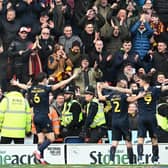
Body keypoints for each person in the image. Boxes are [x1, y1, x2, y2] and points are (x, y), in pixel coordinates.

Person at [11, 71, 78, 164]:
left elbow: (25, 87)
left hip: (35, 117)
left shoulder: (32, 88)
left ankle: (41, 159)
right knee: (51, 138)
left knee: (41, 140)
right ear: (44, 79)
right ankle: (38, 152)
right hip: (43, 117)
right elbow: (59, 84)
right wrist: (71, 78)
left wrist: (16, 83)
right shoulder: (46, 88)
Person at [104, 74, 168, 164]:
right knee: (154, 139)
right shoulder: (155, 89)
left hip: (141, 118)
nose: (138, 82)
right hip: (152, 117)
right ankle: (155, 159)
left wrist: (110, 87)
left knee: (140, 139)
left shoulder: (138, 91)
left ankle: (140, 159)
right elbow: (165, 88)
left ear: (144, 81)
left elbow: (123, 90)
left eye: (140, 80)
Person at [97, 80, 134, 164]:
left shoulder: (111, 95)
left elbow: (101, 97)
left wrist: (98, 89)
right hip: (124, 121)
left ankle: (111, 160)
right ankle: (131, 162)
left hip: (114, 121)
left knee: (114, 142)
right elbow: (132, 99)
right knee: (128, 142)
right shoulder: (124, 96)